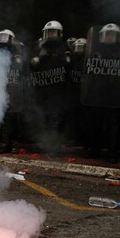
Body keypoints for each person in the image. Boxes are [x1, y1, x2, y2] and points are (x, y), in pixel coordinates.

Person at [80, 23, 120, 161]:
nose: (109, 37)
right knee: (95, 122)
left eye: (112, 35)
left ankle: (112, 152)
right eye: (107, 34)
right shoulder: (95, 52)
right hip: (97, 94)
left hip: (113, 94)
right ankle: (94, 150)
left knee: (113, 124)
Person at [28, 20, 71, 156]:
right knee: (44, 119)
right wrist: (38, 59)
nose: (51, 35)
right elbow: (31, 66)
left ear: (59, 33)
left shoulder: (65, 48)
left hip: (59, 91)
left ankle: (55, 147)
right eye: (49, 32)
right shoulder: (39, 48)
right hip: (43, 90)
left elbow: (70, 65)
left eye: (53, 32)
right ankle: (46, 145)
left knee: (56, 120)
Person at [0, 29, 26, 152]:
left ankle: (5, 144)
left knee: (7, 120)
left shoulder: (16, 57)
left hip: (10, 91)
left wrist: (12, 95)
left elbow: (17, 77)